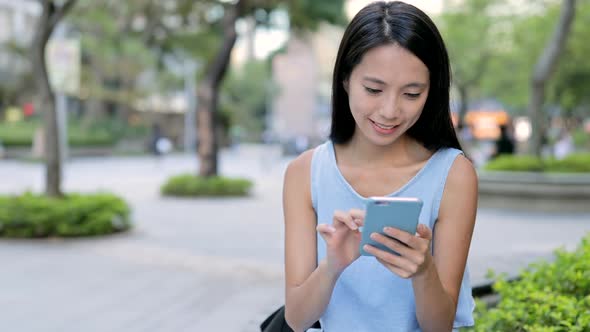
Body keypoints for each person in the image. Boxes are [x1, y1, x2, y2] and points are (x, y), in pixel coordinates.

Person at [282, 2, 477, 331]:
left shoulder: (454, 174)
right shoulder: (306, 173)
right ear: (345, 79)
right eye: (373, 89)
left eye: (411, 93)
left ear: (432, 91)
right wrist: (333, 265)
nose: (390, 111)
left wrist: (423, 270)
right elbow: (297, 318)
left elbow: (439, 326)